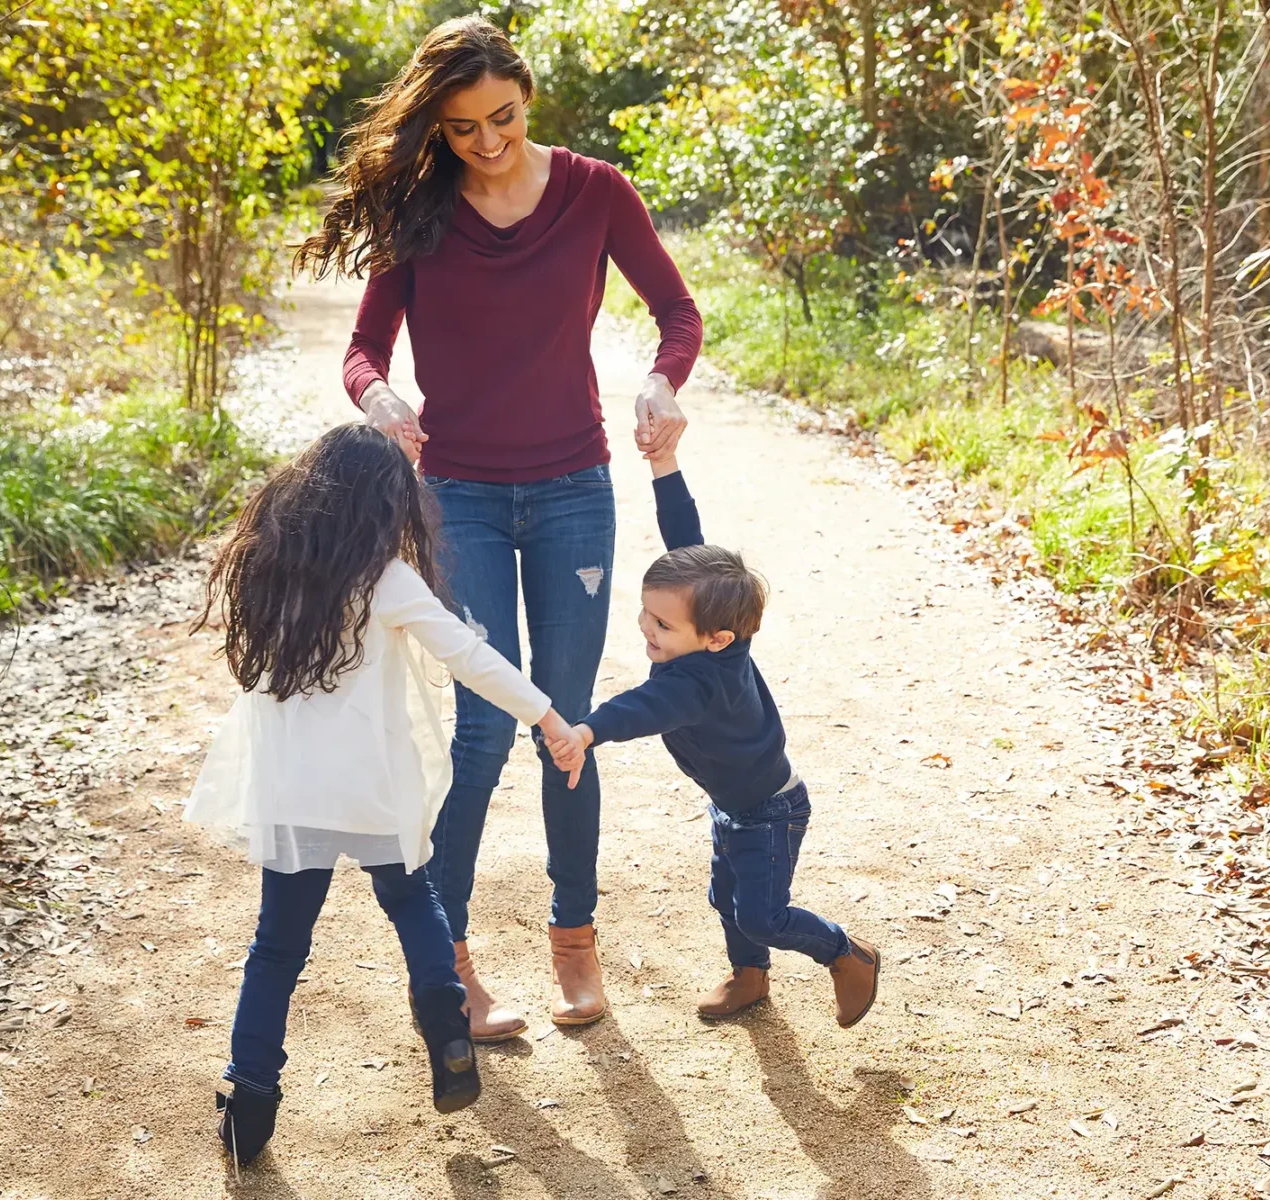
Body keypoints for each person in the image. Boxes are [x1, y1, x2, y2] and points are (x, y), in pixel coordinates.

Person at [295, 15, 703, 1041]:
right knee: (483, 729)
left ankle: (575, 944)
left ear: (528, 93)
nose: (486, 142)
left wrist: (661, 381)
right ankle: (452, 965)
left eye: (503, 118)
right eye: (463, 127)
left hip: (573, 489)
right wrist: (382, 403)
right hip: (460, 498)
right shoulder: (420, 213)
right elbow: (361, 350)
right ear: (438, 127)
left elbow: (678, 315)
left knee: (567, 726)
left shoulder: (597, 192)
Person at [183, 424, 584, 1166]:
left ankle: (249, 1105)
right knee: (412, 901)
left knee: (276, 948)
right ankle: (446, 1023)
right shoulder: (385, 577)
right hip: (371, 785)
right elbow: (470, 656)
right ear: (384, 505)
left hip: (293, 788)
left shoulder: (267, 562)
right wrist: (549, 717)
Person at [545, 452, 881, 1028]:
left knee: (763, 915)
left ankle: (847, 954)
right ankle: (749, 978)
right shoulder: (720, 630)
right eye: (647, 614)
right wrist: (665, 467)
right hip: (732, 805)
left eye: (662, 625)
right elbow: (688, 547)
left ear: (718, 639)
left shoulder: (698, 683)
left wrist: (587, 729)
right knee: (725, 901)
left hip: (771, 811)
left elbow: (642, 707)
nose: (646, 629)